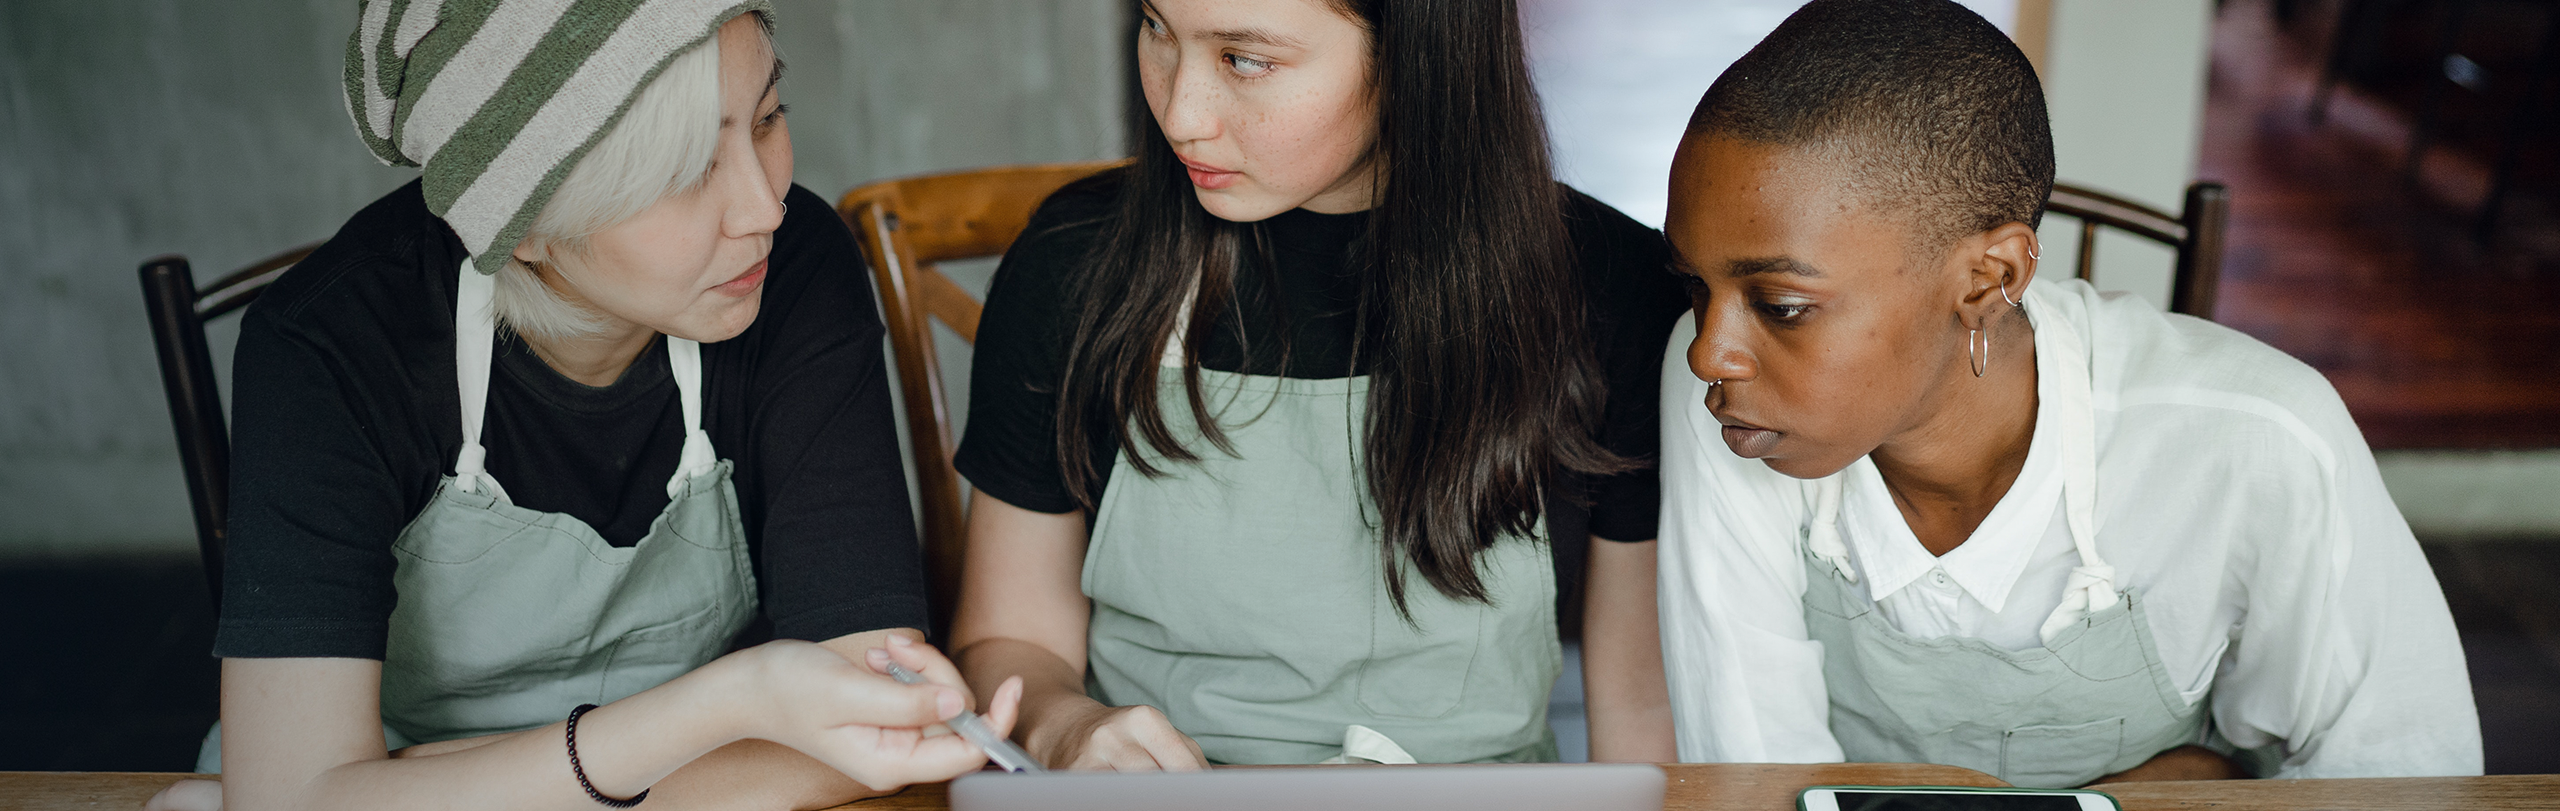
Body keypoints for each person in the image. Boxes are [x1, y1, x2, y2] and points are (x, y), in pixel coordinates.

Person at [149, 4, 1020, 810]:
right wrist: (735, 701)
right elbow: (286, 798)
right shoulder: (328, 344)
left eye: (766, 120)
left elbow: (870, 727)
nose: (764, 207)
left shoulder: (797, 273)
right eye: (689, 171)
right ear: (516, 224)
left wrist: (422, 784)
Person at [1645, 0, 2482, 788]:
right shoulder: (1732, 407)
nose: (1710, 354)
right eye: (1693, 285)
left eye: (1782, 306)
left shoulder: (2258, 440)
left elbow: (2409, 773)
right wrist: (2163, 788)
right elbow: (1757, 781)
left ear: (1988, 278)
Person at [947, 0, 1691, 770]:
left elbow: (1642, 702)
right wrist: (1065, 723)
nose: (1179, 113)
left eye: (1244, 59)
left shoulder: (1614, 291)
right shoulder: (1076, 263)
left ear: (1415, 56)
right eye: (1157, 28)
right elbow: (1012, 636)